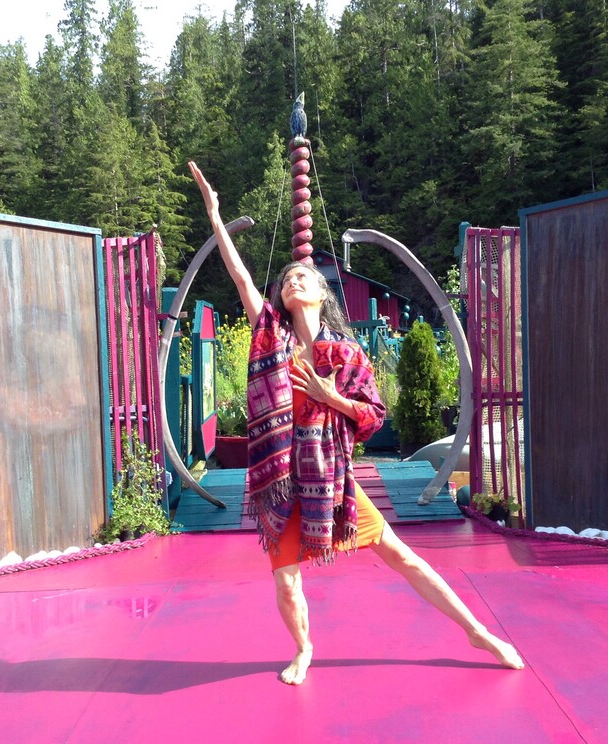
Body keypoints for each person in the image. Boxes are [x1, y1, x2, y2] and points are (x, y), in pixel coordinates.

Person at [188, 160, 524, 685]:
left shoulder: (345, 354)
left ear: (322, 293)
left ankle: (478, 632)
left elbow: (373, 416)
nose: (293, 280)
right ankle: (304, 649)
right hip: (280, 481)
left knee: (403, 558)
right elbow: (241, 276)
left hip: (331, 479)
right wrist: (214, 214)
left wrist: (332, 399)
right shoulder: (270, 336)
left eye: (303, 276)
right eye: (287, 279)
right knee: (285, 581)